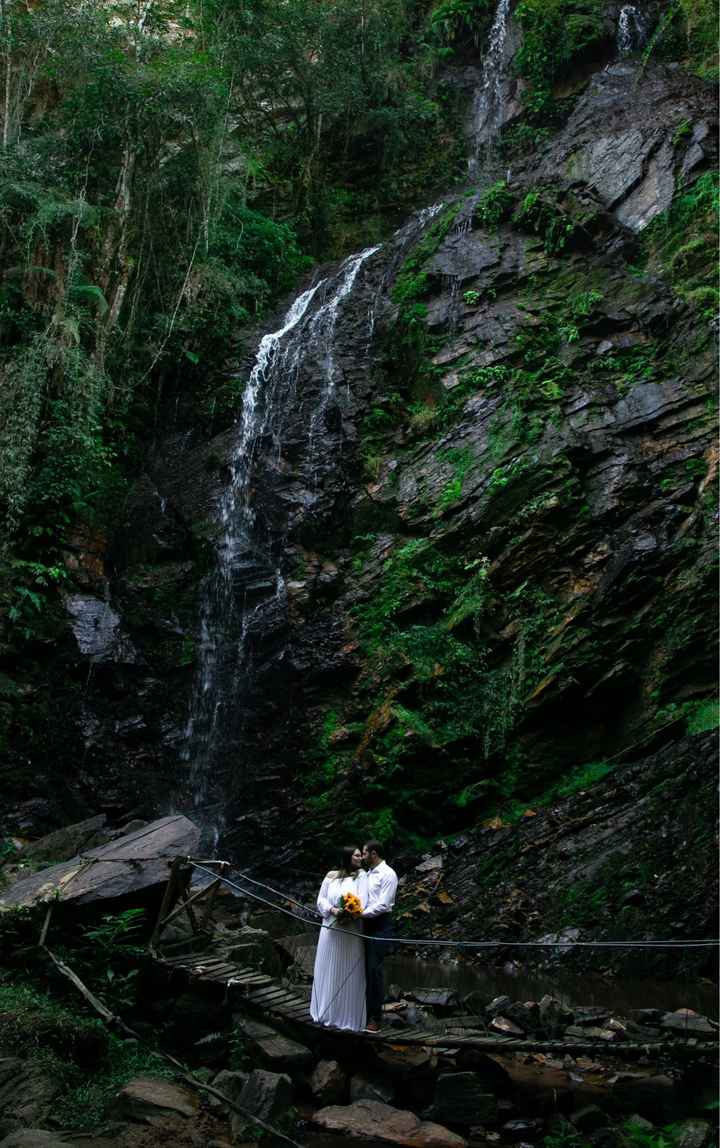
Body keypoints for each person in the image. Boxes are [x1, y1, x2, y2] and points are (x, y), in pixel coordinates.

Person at [310, 845, 368, 1031]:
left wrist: (351, 913)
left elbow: (364, 899)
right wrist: (333, 910)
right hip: (330, 928)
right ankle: (324, 1012)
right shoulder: (331, 876)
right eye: (357, 855)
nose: (361, 858)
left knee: (347, 968)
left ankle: (346, 1017)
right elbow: (321, 900)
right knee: (327, 967)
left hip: (350, 930)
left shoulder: (362, 876)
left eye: (361, 855)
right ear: (347, 857)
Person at [361, 839, 398, 1033]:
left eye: (365, 853)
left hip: (380, 925)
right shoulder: (365, 874)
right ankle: (360, 1013)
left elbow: (383, 904)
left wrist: (359, 914)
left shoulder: (388, 874)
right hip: (364, 925)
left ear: (374, 854)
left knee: (374, 972)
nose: (362, 856)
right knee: (363, 970)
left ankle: (375, 1018)